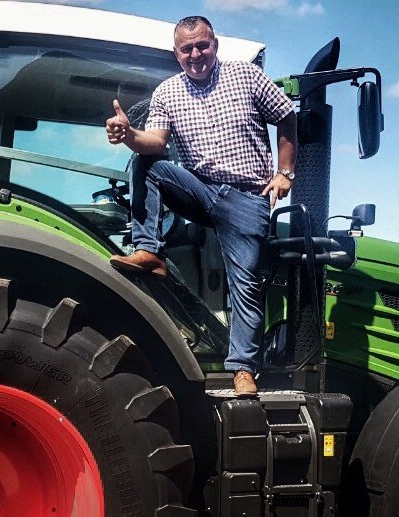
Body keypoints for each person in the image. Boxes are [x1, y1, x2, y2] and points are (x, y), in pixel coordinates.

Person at [105, 15, 297, 397]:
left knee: (245, 284)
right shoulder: (167, 92)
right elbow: (155, 142)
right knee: (147, 164)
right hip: (200, 191)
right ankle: (149, 251)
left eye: (202, 45)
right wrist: (128, 135)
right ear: (176, 54)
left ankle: (243, 370)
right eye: (186, 49)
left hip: (247, 197)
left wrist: (285, 172)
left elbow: (287, 115)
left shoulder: (246, 76)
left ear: (214, 45)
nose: (195, 54)